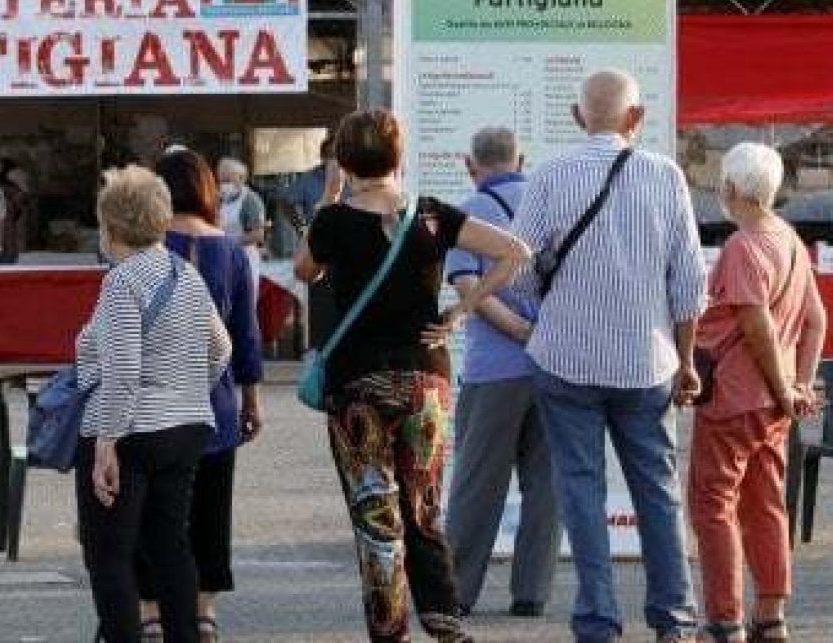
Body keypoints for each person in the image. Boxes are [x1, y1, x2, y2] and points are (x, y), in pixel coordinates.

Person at [293, 108, 529, 643]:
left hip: (358, 383)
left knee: (375, 513)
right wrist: (460, 312)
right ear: (398, 157)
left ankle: (390, 631)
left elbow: (306, 269)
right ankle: (446, 625)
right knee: (422, 508)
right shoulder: (431, 216)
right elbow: (515, 250)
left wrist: (331, 192)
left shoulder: (332, 220)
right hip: (426, 380)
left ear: (346, 160)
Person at [509, 70, 705, 643]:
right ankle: (674, 618)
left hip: (565, 358)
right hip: (647, 362)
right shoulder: (665, 176)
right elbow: (689, 283)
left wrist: (550, 293)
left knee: (580, 488)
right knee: (658, 490)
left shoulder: (548, 175)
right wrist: (687, 359)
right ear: (635, 118)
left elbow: (518, 269)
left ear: (577, 117)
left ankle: (597, 618)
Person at [76, 166, 232, 643]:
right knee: (171, 546)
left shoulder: (122, 283)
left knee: (110, 554)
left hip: (131, 432)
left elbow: (122, 369)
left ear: (111, 227)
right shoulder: (186, 273)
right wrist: (186, 390)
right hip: (186, 428)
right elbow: (222, 348)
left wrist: (107, 439)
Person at [689, 143, 826, 643]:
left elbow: (755, 324)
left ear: (729, 189)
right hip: (774, 404)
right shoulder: (789, 239)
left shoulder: (742, 246)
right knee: (766, 503)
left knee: (713, 502)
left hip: (735, 397)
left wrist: (782, 387)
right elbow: (816, 320)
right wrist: (799, 384)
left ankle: (724, 619)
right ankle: (771, 613)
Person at [143, 149, 266, 642]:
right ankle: (203, 612)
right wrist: (252, 401)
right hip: (215, 403)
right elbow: (246, 333)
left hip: (153, 402)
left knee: (153, 508)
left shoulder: (146, 247)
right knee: (212, 510)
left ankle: (150, 612)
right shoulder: (232, 251)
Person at [442, 126, 560, 619]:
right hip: (555, 367)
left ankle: (457, 592)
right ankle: (532, 592)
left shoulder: (469, 211)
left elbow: (468, 284)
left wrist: (516, 330)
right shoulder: (552, 207)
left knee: (476, 484)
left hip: (494, 370)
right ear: (522, 158)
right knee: (546, 484)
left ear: (471, 165)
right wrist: (541, 335)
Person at [215, 157, 269, 276]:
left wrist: (229, 242)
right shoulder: (218, 199)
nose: (223, 185)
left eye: (228, 180)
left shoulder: (250, 201)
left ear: (242, 178)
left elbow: (258, 235)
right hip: (222, 258)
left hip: (245, 259)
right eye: (221, 180)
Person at [0, 157, 30, 263]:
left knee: (10, 239)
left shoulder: (9, 181)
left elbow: (20, 197)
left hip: (10, 214)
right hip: (13, 213)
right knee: (14, 239)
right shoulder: (13, 182)